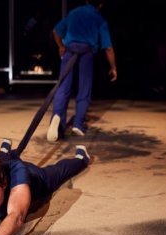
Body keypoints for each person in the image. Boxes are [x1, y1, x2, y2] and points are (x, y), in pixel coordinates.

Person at [47, 0, 117, 142]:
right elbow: (108, 48)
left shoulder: (74, 12)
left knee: (63, 87)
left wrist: (61, 46)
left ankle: (57, 118)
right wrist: (113, 67)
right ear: (100, 4)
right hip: (87, 51)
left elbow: (56, 31)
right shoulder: (99, 18)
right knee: (84, 88)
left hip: (70, 49)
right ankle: (78, 124)